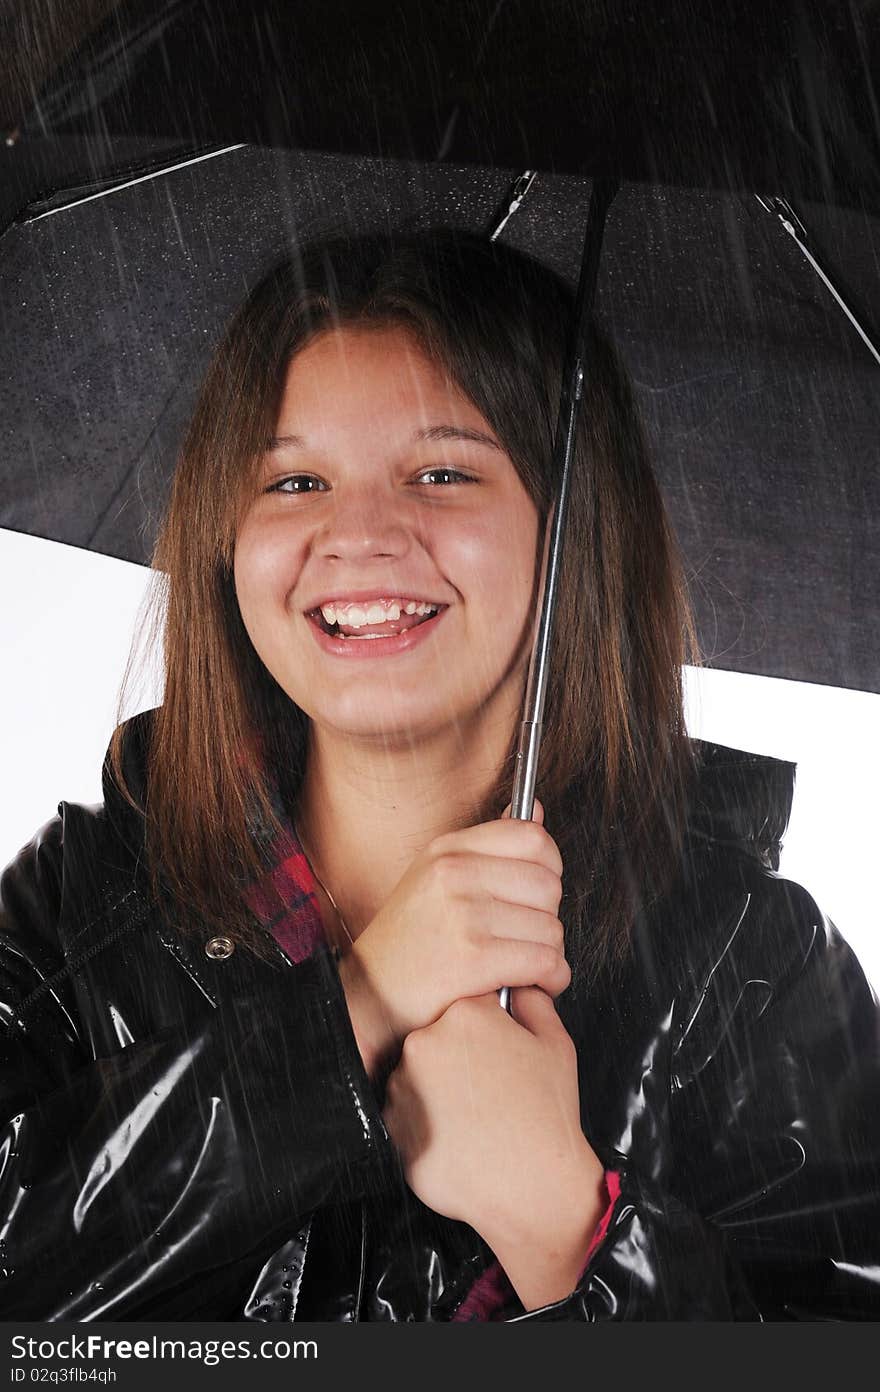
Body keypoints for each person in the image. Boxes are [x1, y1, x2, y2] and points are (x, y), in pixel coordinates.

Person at [1, 228, 878, 1322]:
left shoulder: (750, 967)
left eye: (441, 472)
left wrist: (564, 1221)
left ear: (570, 532)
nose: (358, 535)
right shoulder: (82, 904)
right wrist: (350, 1014)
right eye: (294, 479)